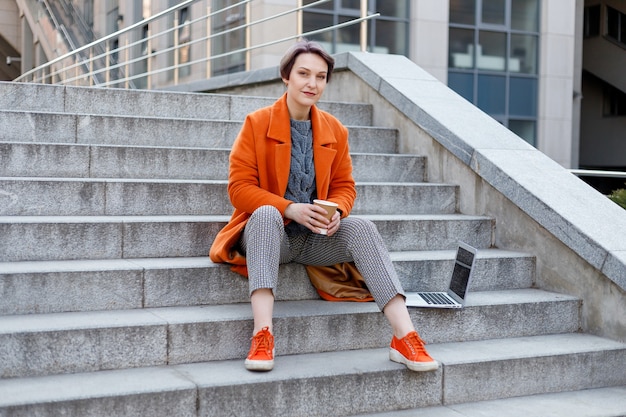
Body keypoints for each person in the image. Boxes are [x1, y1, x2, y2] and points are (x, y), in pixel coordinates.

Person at [209, 39, 438, 373]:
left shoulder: (335, 130)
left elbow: (346, 187)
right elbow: (239, 189)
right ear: (286, 76)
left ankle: (405, 337)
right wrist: (289, 208)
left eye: (320, 76)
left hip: (314, 239)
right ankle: (262, 334)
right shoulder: (256, 123)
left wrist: (337, 214)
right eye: (303, 73)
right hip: (269, 235)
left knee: (362, 228)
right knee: (266, 213)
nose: (311, 83)